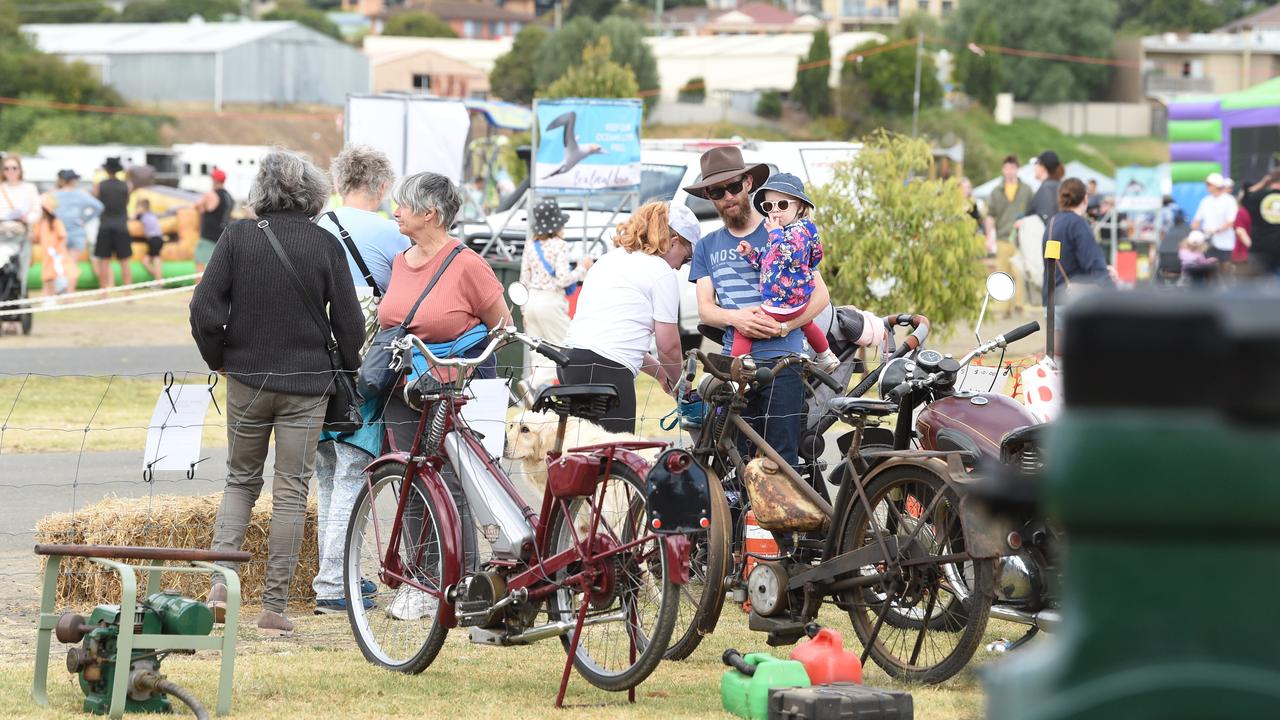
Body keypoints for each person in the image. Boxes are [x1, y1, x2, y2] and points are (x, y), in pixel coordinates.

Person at [191, 149, 364, 637]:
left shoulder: (237, 237)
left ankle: (220, 589)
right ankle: (274, 606)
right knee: (291, 491)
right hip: (307, 386)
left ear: (259, 192)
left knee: (240, 481)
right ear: (312, 193)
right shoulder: (325, 243)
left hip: (247, 378)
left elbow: (204, 308)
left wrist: (218, 357)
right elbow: (349, 323)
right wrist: (347, 368)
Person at [376, 172, 509, 619]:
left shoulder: (468, 264)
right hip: (403, 389)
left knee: (452, 483)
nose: (395, 212)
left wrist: (456, 361)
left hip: (450, 391)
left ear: (429, 213)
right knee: (411, 482)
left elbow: (501, 327)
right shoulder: (399, 260)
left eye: (403, 205)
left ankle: (465, 582)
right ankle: (422, 580)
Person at [685, 146, 831, 471]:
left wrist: (784, 327)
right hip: (736, 367)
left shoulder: (785, 228)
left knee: (780, 463)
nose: (727, 197)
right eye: (716, 191)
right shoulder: (707, 246)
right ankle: (742, 523)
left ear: (749, 183)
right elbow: (706, 310)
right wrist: (738, 319)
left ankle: (780, 521)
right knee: (736, 465)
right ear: (709, 196)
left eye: (734, 186)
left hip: (785, 361)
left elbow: (821, 297)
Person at [310, 144, 407, 615]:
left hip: (313, 369)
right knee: (352, 473)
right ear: (383, 187)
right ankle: (334, 582)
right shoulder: (392, 234)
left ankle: (330, 574)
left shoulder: (314, 226)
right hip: (362, 370)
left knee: (326, 476)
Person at [560, 202, 697, 433]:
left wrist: (661, 374)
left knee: (580, 456)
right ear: (674, 242)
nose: (680, 268)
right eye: (686, 259)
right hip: (607, 373)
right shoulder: (661, 272)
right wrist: (680, 384)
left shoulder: (609, 259)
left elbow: (617, 340)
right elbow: (668, 346)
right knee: (615, 459)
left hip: (570, 361)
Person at [732, 173, 838, 372]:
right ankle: (825, 355)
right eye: (768, 206)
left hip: (782, 303)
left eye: (782, 205)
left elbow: (789, 254)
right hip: (796, 303)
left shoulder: (799, 231)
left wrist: (774, 233)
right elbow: (770, 260)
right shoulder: (785, 232)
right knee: (807, 323)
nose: (775, 212)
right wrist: (751, 254)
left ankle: (739, 367)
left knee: (744, 327)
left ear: (799, 206)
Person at [520, 197, 593, 388]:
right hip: (550, 301)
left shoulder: (530, 245)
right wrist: (582, 268)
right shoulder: (559, 245)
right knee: (563, 351)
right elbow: (562, 279)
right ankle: (533, 385)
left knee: (538, 352)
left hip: (530, 301)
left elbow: (524, 280)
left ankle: (534, 392)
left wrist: (522, 310)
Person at [1042, 177, 1112, 321]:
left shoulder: (1052, 222)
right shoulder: (1079, 224)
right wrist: (1108, 282)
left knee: (1055, 344)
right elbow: (1094, 262)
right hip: (1074, 302)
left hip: (1051, 300)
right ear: (1085, 198)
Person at [92, 157, 132, 292]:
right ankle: (128, 291)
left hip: (105, 225)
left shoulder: (100, 185)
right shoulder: (126, 185)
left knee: (104, 260)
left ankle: (104, 291)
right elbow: (127, 202)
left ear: (106, 170)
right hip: (121, 225)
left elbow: (95, 202)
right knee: (125, 261)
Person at [53, 169, 103, 266]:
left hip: (58, 233)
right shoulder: (81, 194)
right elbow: (99, 207)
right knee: (71, 266)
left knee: (60, 267)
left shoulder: (54, 195)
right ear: (73, 181)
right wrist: (83, 219)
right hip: (77, 232)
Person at [194, 167, 234, 277]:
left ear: (215, 180)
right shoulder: (229, 197)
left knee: (200, 263)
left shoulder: (211, 195)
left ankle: (198, 291)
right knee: (220, 264)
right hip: (223, 234)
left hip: (208, 235)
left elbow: (197, 206)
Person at [1191, 172, 1238, 264]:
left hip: (1225, 243)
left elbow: (1231, 221)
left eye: (1208, 184)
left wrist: (1216, 230)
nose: (1206, 186)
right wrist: (1195, 232)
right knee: (1208, 269)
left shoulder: (1229, 200)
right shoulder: (1205, 201)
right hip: (1207, 243)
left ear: (1216, 185)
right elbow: (1196, 220)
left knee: (1224, 270)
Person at [33, 194, 72, 297]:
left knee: (54, 275)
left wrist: (58, 250)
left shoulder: (55, 221)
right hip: (46, 254)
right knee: (47, 276)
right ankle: (48, 296)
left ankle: (52, 295)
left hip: (56, 255)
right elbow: (36, 238)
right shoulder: (40, 222)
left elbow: (63, 236)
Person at [1243, 171, 1280, 276]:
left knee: (1259, 287)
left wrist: (1263, 183)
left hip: (1260, 248)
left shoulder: (1257, 196)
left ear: (1269, 180)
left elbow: (1244, 197)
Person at [0, 154, 42, 227]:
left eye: (14, 168)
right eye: (6, 168)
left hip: (22, 231)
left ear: (20, 169)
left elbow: (37, 211)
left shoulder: (30, 188)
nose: (11, 171)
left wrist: (27, 219)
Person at [1026, 150, 1064, 225]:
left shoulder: (1047, 188)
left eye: (1036, 163)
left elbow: (1047, 220)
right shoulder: (1057, 185)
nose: (1034, 167)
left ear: (1043, 167)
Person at [136, 198, 164, 282]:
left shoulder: (144, 215)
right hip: (157, 239)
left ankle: (159, 280)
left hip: (154, 239)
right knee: (146, 261)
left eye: (138, 207)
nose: (136, 209)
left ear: (142, 208)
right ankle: (159, 278)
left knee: (156, 257)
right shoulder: (151, 214)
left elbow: (134, 217)